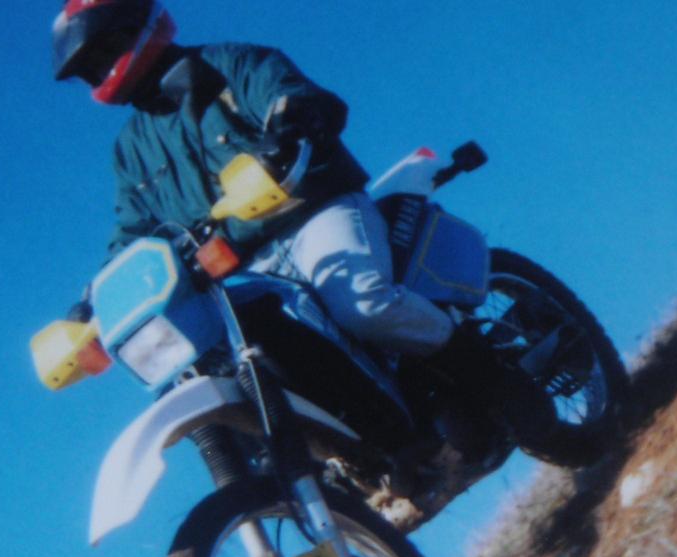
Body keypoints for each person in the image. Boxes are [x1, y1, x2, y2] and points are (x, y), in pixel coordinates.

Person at [50, 0, 456, 357]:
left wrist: (289, 127)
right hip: (238, 265)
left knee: (364, 306)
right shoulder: (131, 149)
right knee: (217, 361)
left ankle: (475, 364)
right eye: (89, 69)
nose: (98, 70)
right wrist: (93, 302)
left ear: (129, 29)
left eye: (99, 56)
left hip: (310, 215)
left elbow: (293, 96)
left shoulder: (230, 64)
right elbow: (133, 231)